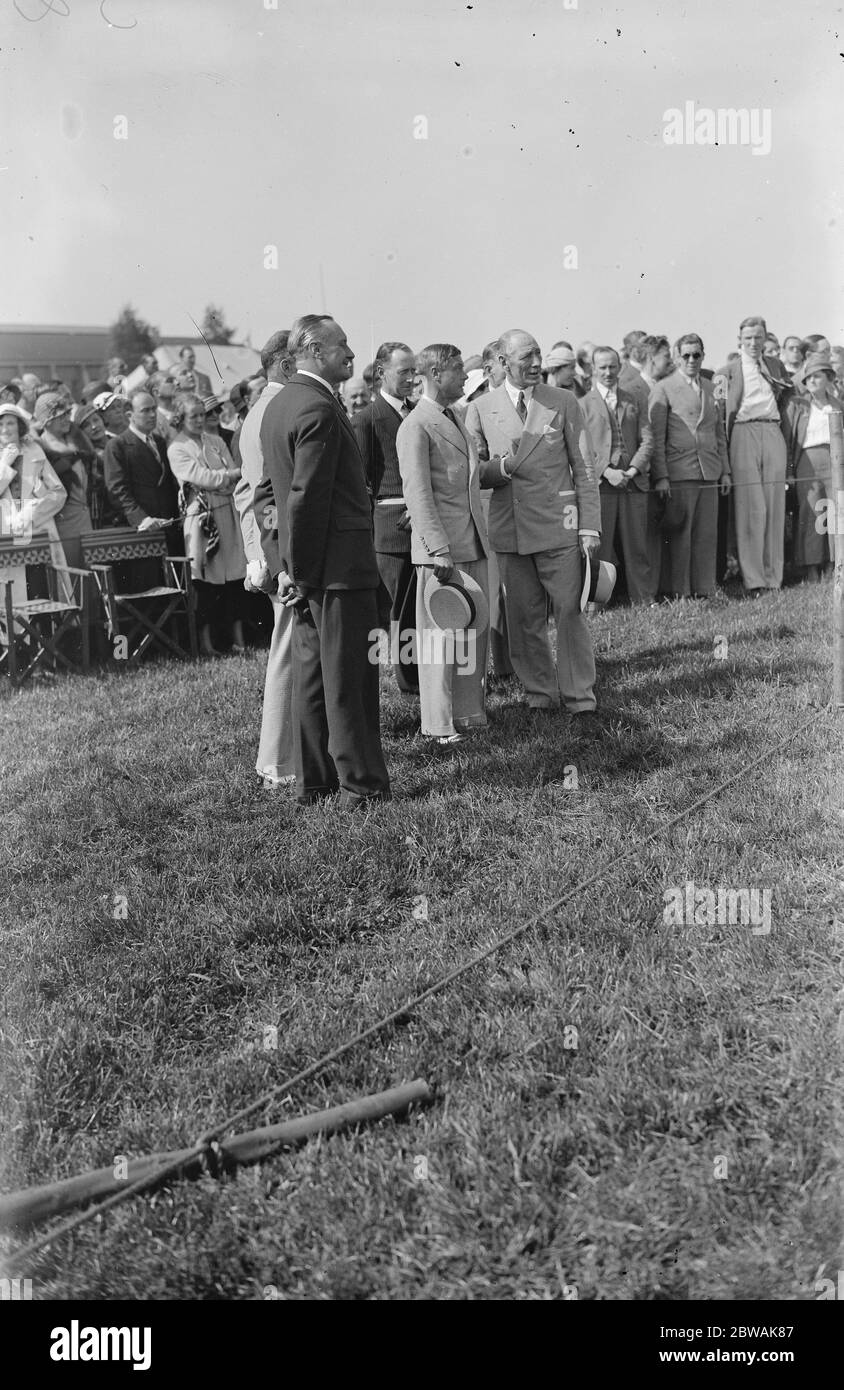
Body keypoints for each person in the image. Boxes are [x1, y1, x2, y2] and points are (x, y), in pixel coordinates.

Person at [259, 314, 391, 808]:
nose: (352, 354)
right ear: (314, 350)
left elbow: (266, 497)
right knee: (349, 678)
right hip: (334, 571)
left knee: (314, 676)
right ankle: (361, 784)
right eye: (342, 347)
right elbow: (305, 498)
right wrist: (302, 573)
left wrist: (283, 567)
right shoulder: (315, 407)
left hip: (311, 570)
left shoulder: (280, 405)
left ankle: (316, 783)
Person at [464, 328, 601, 717]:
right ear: (503, 363)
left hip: (560, 527)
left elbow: (584, 467)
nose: (537, 364)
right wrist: (502, 468)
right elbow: (473, 474)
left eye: (539, 355)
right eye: (527, 357)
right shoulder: (480, 408)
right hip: (511, 530)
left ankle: (580, 697)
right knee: (524, 618)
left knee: (570, 612)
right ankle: (540, 693)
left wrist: (589, 526)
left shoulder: (562, 401)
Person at [397, 344, 489, 743]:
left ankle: (468, 713)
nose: (466, 377)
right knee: (439, 640)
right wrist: (436, 549)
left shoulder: (456, 416)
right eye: (458, 370)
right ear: (435, 373)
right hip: (442, 551)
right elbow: (418, 494)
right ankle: (437, 724)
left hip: (471, 543)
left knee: (470, 633)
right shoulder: (415, 425)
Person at [233, 329, 297, 789]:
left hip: (275, 552)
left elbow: (246, 493)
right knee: (289, 652)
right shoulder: (273, 410)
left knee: (291, 650)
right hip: (284, 556)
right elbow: (261, 496)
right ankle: (278, 761)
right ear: (285, 364)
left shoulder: (263, 410)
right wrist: (271, 560)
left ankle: (288, 756)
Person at [351, 341, 419, 695]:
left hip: (421, 527)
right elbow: (361, 485)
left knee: (420, 609)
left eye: (414, 370)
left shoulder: (416, 412)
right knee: (398, 610)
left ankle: (422, 676)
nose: (412, 378)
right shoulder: (367, 419)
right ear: (381, 374)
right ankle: (409, 684)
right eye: (403, 371)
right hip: (392, 531)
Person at [649, 334, 730, 599]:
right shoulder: (663, 388)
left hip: (709, 471)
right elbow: (657, 437)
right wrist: (661, 476)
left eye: (696, 354)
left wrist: (725, 471)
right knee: (681, 534)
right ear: (676, 357)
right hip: (679, 471)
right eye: (686, 355)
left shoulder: (709, 386)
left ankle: (705, 589)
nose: (692, 360)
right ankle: (679, 591)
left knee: (706, 533)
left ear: (703, 356)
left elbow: (719, 434)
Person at [167, 393, 246, 656]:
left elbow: (232, 474)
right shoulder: (177, 447)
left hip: (227, 512)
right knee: (205, 580)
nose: (200, 420)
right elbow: (200, 477)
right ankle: (207, 643)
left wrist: (224, 478)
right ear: (181, 418)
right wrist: (226, 477)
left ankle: (237, 639)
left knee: (234, 577)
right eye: (194, 416)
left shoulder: (214, 441)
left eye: (202, 414)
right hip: (201, 519)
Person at [580, 346, 656, 604]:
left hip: (633, 483)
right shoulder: (583, 404)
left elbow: (647, 439)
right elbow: (582, 449)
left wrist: (632, 470)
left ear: (620, 367)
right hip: (602, 485)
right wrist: (608, 472)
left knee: (638, 545)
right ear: (593, 369)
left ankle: (643, 598)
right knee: (601, 547)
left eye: (612, 366)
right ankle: (596, 604)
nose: (608, 372)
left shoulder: (633, 398)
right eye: (602, 367)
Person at [723, 315, 792, 594]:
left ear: (765, 339)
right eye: (748, 338)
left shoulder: (775, 365)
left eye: (758, 337)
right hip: (743, 431)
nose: (753, 343)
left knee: (774, 503)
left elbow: (786, 397)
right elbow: (723, 410)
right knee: (752, 507)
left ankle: (773, 575)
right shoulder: (728, 370)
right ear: (740, 340)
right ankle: (754, 579)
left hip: (772, 430)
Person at [0, 402, 68, 608]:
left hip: (38, 530)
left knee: (43, 590)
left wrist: (33, 513)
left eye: (10, 423)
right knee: (13, 598)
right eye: (0, 424)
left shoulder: (34, 450)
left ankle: (49, 637)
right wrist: (5, 463)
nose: (5, 429)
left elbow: (58, 492)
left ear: (19, 426)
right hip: (6, 533)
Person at [786, 352, 842, 581]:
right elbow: (789, 439)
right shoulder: (798, 405)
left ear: (828, 378)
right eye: (808, 378)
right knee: (811, 513)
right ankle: (811, 567)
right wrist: (789, 471)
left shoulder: (838, 404)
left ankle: (833, 564)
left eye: (817, 377)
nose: (812, 382)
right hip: (806, 463)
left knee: (836, 513)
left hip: (835, 462)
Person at [33, 392, 94, 575]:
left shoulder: (78, 440)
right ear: (46, 421)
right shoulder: (40, 448)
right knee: (74, 579)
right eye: (60, 416)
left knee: (95, 579)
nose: (67, 419)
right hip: (63, 526)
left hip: (88, 522)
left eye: (67, 414)